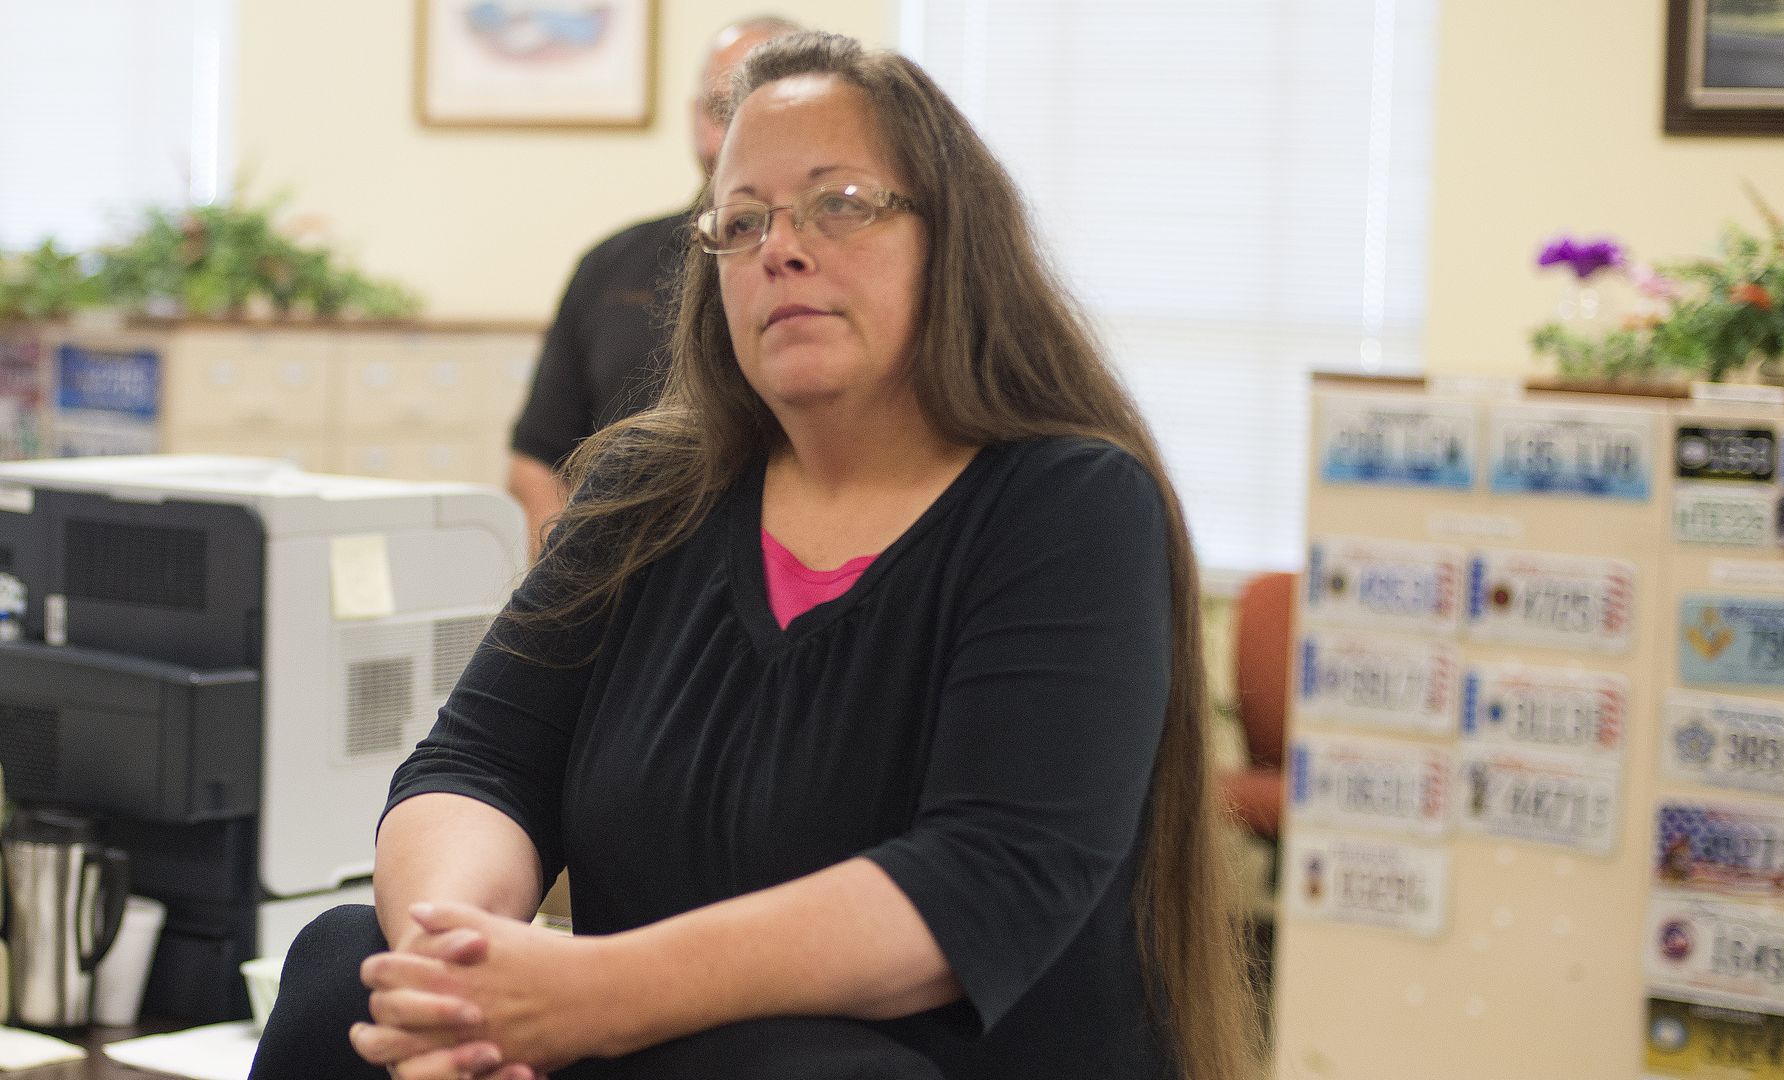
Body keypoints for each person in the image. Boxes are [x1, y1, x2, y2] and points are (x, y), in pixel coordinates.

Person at [251, 31, 1257, 1080]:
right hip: (657, 1042)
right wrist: (454, 966)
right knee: (343, 969)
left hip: (898, 1061)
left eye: (841, 203)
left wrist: (591, 995)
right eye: (740, 223)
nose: (781, 247)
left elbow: (982, 883)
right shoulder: (645, 493)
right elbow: (480, 765)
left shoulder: (1069, 506)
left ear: (954, 242)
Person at [508, 15, 803, 557]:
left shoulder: (828, 270)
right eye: (723, 110)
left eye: (768, 112)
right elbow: (538, 461)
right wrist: (570, 595)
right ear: (695, 119)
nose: (741, 135)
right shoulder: (611, 265)